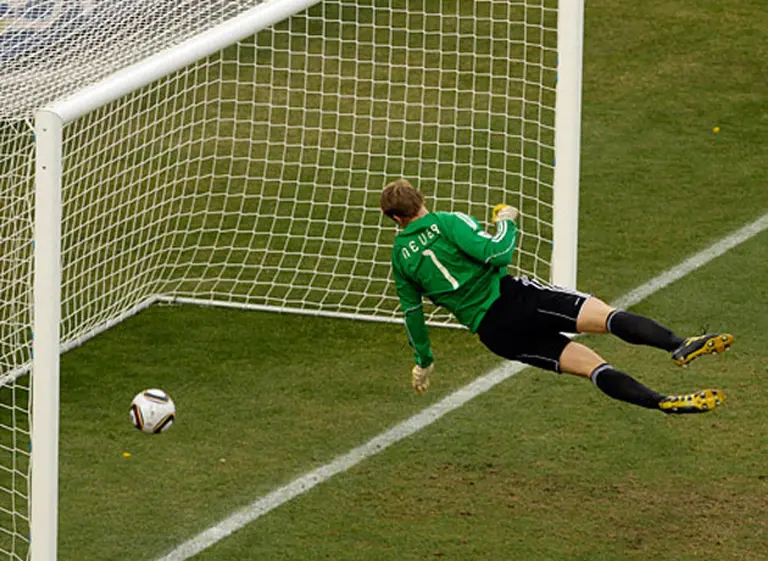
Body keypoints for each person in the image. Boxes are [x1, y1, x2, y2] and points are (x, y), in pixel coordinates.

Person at [380, 179, 734, 414]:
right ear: (420, 200)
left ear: (395, 218)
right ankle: (677, 343)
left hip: (494, 334)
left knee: (594, 368)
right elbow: (498, 254)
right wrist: (507, 221)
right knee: (607, 318)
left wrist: (424, 362)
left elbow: (412, 315)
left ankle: (662, 402)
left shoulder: (400, 259)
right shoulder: (448, 221)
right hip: (513, 298)